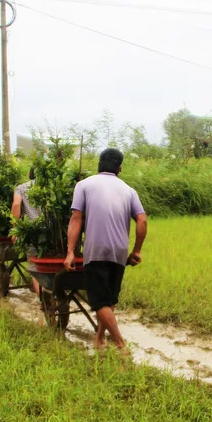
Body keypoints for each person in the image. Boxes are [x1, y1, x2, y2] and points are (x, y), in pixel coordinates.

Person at [64, 148, 147, 352]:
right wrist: (136, 251)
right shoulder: (129, 190)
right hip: (119, 252)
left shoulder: (84, 185)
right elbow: (142, 219)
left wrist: (70, 252)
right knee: (109, 298)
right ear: (120, 168)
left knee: (99, 300)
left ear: (99, 164)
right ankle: (99, 339)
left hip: (96, 250)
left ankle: (120, 344)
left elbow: (76, 218)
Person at [12, 167, 43, 296]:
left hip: (33, 233)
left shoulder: (21, 188)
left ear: (29, 174)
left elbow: (16, 205)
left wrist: (15, 229)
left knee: (35, 267)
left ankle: (43, 301)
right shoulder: (50, 186)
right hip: (53, 232)